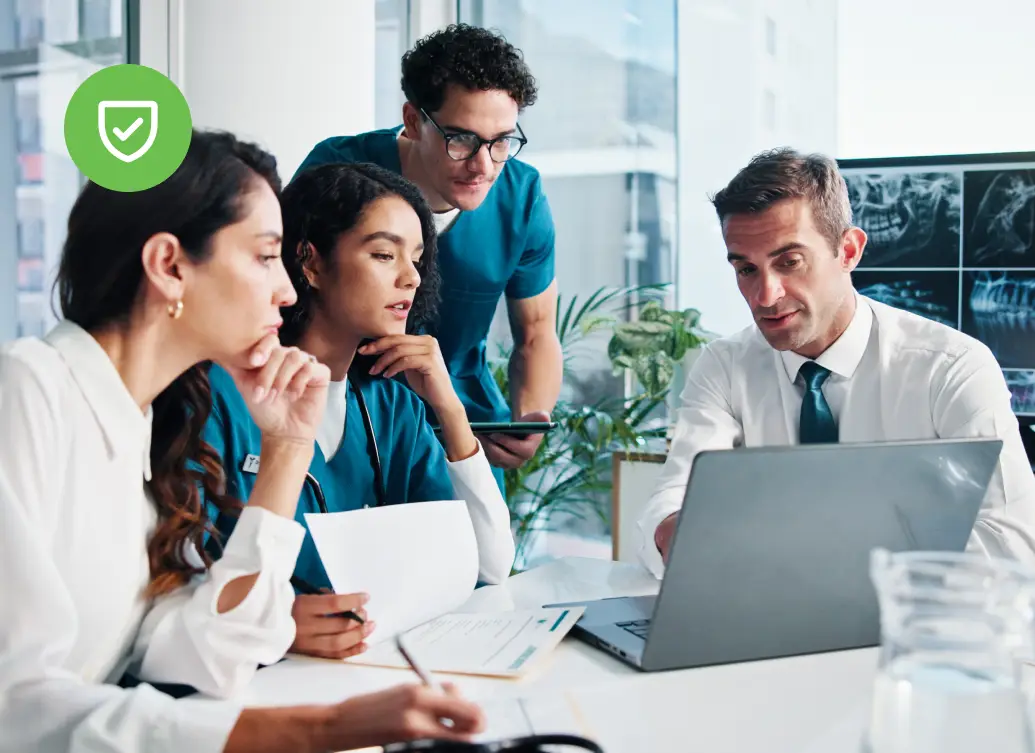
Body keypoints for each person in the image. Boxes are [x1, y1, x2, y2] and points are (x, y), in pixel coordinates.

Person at [0, 129, 483, 753]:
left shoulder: (137, 425)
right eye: (264, 257)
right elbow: (15, 707)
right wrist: (321, 729)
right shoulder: (24, 393)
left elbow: (207, 652)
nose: (287, 290)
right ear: (169, 266)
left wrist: (287, 450)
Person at [638, 147, 1035, 576]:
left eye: (790, 262)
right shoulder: (724, 367)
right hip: (766, 605)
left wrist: (826, 555)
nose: (765, 296)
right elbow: (673, 502)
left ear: (848, 250)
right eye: (746, 270)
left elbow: (1012, 542)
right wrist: (672, 531)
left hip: (903, 610)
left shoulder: (952, 368)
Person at [203, 162, 516, 660]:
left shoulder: (394, 405)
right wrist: (276, 624)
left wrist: (451, 409)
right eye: (384, 254)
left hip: (375, 667)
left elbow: (489, 566)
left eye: (417, 259)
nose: (410, 277)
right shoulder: (222, 395)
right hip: (254, 677)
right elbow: (175, 583)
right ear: (310, 262)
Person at [294, 24, 563, 488]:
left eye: (501, 141)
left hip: (462, 421)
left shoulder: (521, 197)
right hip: (346, 415)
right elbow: (280, 296)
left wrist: (530, 417)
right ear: (414, 120)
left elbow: (537, 331)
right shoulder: (338, 173)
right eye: (461, 139)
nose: (483, 166)